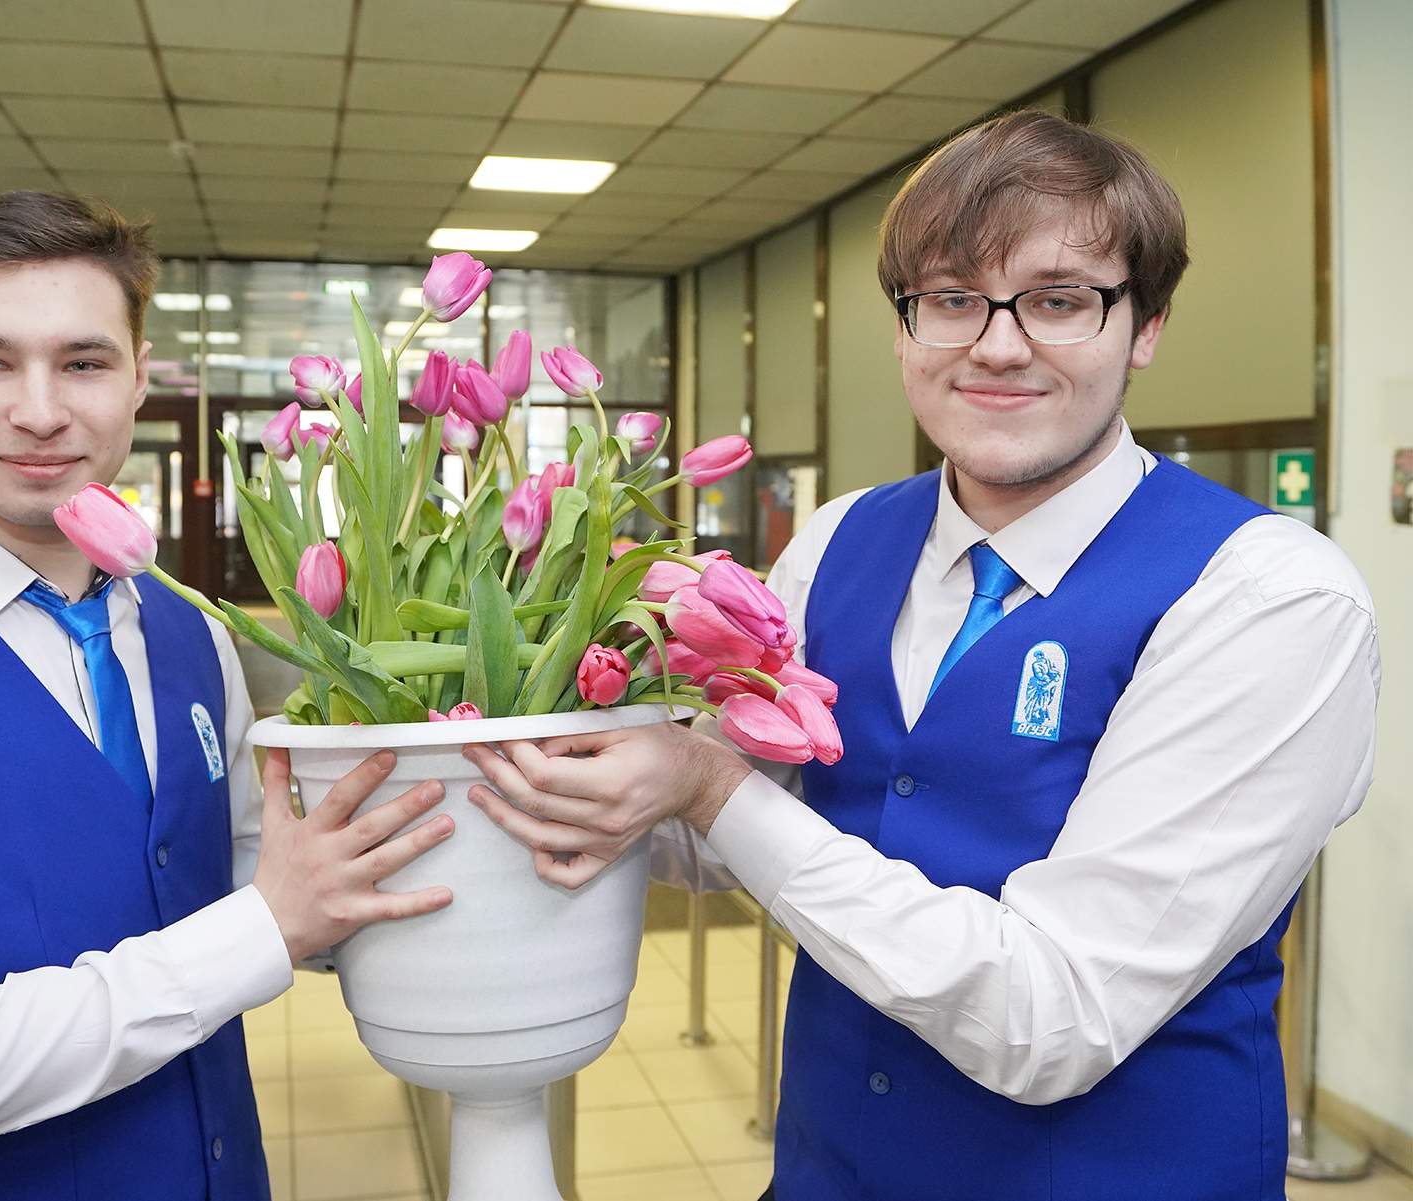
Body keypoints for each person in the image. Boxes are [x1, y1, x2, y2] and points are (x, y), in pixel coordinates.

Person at [462, 111, 1380, 1200]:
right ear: (904, 331)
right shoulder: (838, 543)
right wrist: (536, 749)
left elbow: (1055, 1015)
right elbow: (716, 845)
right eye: (951, 299)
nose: (997, 344)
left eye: (1058, 298)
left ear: (1146, 326)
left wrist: (706, 788)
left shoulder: (1269, 598)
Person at [0, 191, 455, 1201]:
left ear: (141, 380)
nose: (39, 409)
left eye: (84, 361)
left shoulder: (193, 632)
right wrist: (259, 934)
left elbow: (259, 875)